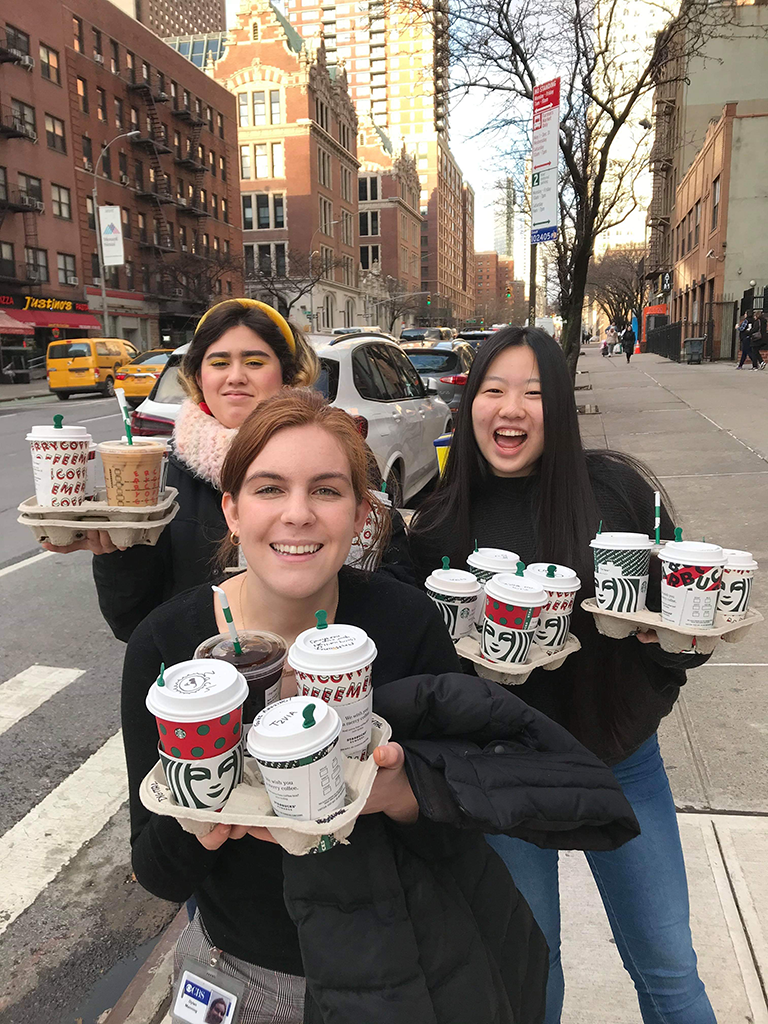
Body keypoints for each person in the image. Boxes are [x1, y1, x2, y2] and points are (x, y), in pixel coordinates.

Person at [123, 389, 639, 1024]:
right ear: (231, 509)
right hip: (238, 972)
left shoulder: (403, 623)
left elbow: (467, 818)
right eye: (268, 489)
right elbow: (153, 872)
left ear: (361, 512)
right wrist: (196, 821)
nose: (298, 514)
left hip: (395, 967)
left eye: (327, 490)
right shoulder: (168, 649)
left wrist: (402, 792)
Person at [408, 326, 717, 1024]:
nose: (510, 408)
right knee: (529, 974)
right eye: (493, 389)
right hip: (506, 776)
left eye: (534, 392)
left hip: (621, 762)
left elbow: (672, 626)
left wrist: (675, 644)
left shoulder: (617, 495)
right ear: (469, 403)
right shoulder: (438, 521)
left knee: (669, 971)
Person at [42, 298, 411, 642]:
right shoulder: (159, 475)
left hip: (333, 670)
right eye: (219, 363)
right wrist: (115, 553)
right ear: (199, 378)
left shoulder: (339, 456)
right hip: (205, 683)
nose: (235, 376)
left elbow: (395, 572)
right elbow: (132, 622)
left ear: (287, 374)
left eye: (254, 362)